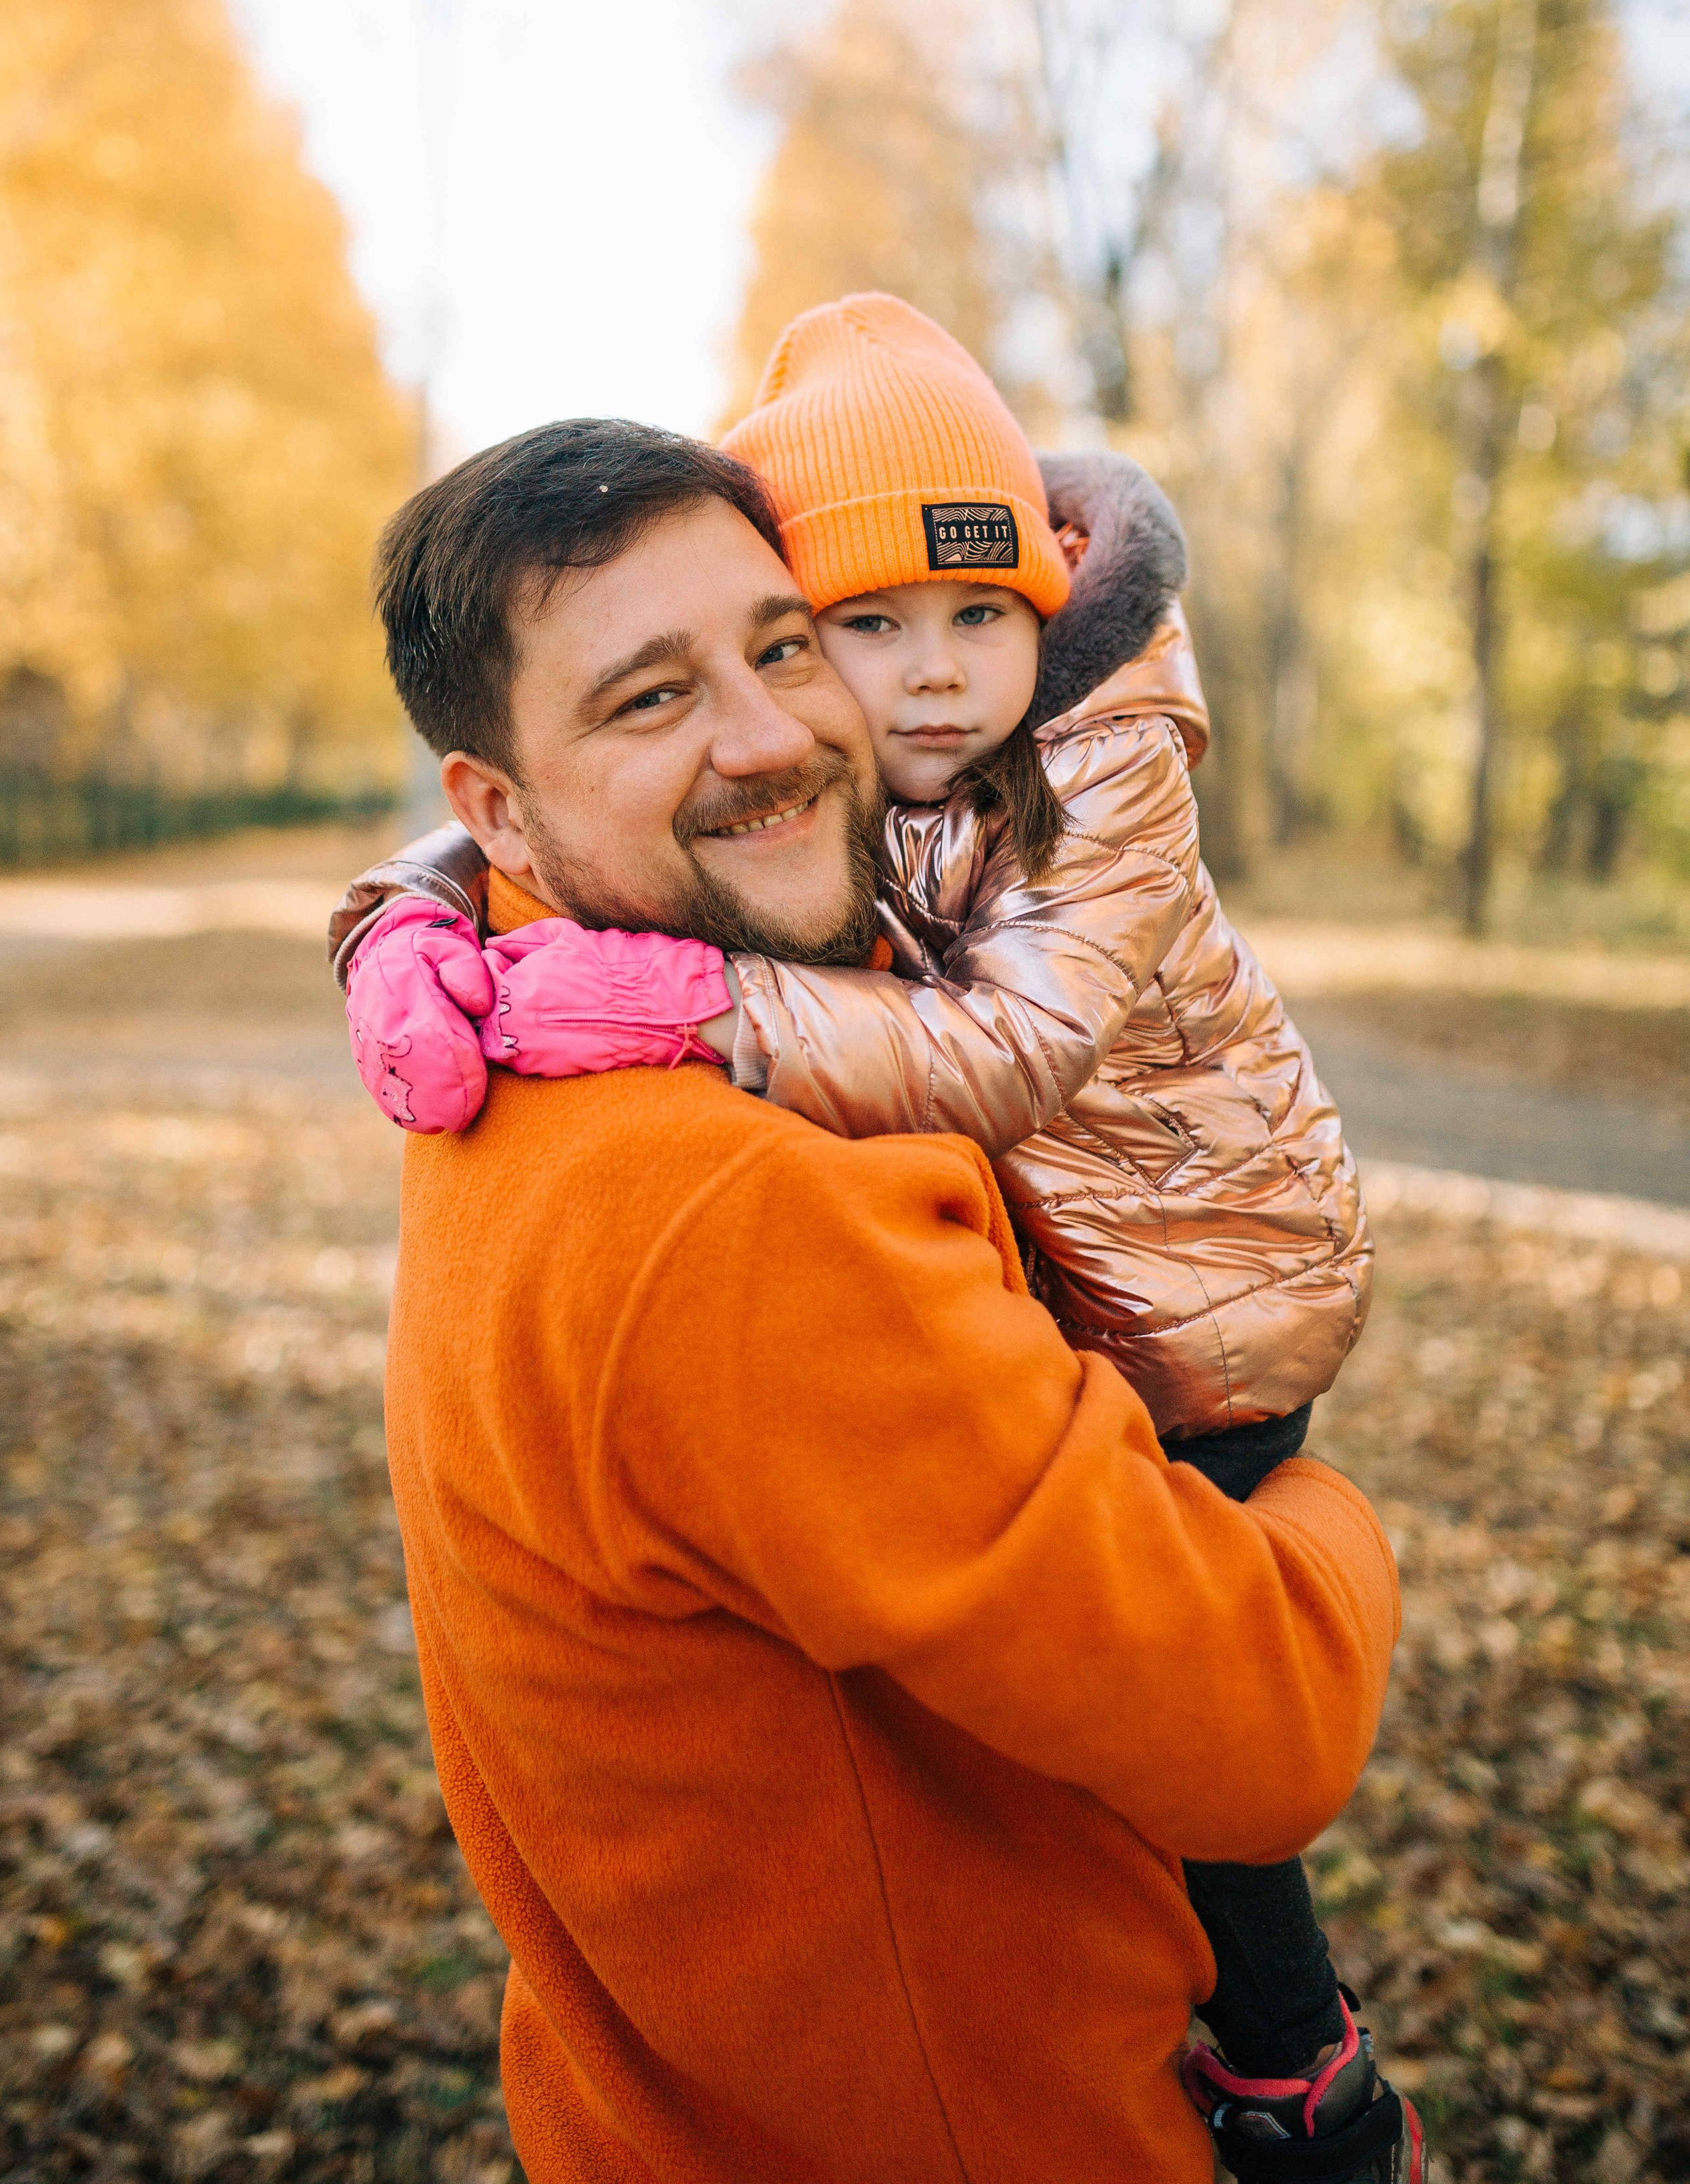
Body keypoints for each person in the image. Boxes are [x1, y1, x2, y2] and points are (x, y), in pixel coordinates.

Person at [337, 298, 1403, 2169]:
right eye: (653, 696)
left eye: (779, 644)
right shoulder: (740, 1198)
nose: (781, 733)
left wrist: (388, 929)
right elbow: (1263, 1719)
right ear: (496, 803)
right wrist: (1316, 1511)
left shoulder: (523, 1030)